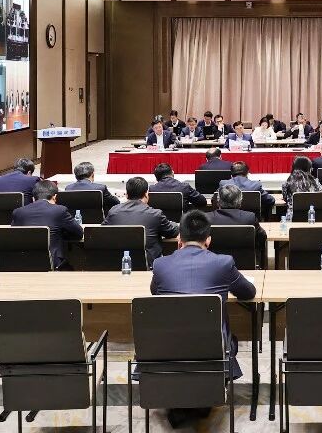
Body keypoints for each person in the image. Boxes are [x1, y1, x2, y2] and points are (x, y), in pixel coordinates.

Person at [150, 209, 256, 426]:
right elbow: (248, 292)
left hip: (168, 349)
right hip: (213, 349)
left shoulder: (160, 265)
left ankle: (182, 396)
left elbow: (155, 292)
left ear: (179, 239)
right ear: (208, 240)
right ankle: (203, 394)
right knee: (227, 336)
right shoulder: (223, 263)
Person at [11, 180, 84, 270]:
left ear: (33, 198)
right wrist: (61, 234)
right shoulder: (60, 210)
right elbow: (79, 233)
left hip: (22, 262)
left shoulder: (18, 212)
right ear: (55, 197)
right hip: (53, 263)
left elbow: (14, 235)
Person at [105, 177, 178, 264]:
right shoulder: (155, 214)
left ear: (127, 195)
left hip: (120, 264)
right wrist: (173, 224)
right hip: (149, 266)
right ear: (146, 194)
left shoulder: (114, 212)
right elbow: (172, 232)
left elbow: (102, 231)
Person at [208, 183, 267, 268]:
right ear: (240, 201)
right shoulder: (249, 217)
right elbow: (262, 237)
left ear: (218, 201)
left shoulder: (207, 218)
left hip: (213, 266)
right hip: (245, 266)